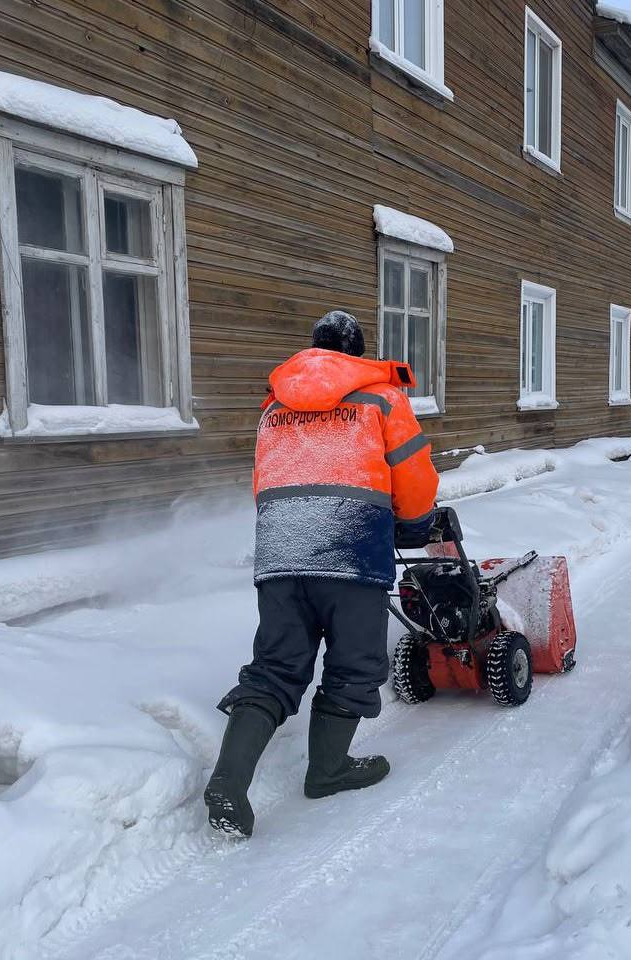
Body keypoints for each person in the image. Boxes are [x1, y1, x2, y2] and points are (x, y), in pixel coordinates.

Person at [204, 310, 439, 837]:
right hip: (351, 547)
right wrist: (413, 526)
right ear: (356, 354)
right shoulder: (380, 397)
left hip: (281, 549)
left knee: (275, 668)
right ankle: (327, 769)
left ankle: (229, 781)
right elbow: (416, 478)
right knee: (355, 665)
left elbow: (265, 479)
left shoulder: (275, 404)